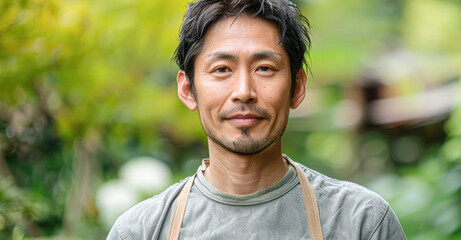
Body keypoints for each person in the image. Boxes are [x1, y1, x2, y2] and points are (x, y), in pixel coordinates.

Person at [106, 0, 406, 239]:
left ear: (297, 87)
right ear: (188, 89)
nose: (244, 92)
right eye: (222, 69)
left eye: (264, 68)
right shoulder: (139, 231)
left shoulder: (361, 222)